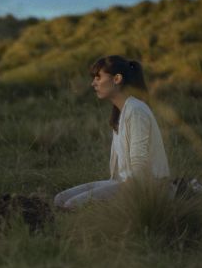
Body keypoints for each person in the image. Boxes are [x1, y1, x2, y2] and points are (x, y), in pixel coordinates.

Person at [53, 55, 170, 209]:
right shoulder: (120, 112)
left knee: (71, 206)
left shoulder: (136, 111)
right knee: (59, 200)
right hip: (122, 182)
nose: (93, 83)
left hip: (144, 186)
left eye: (98, 77)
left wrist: (119, 193)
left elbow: (140, 166)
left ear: (117, 79)